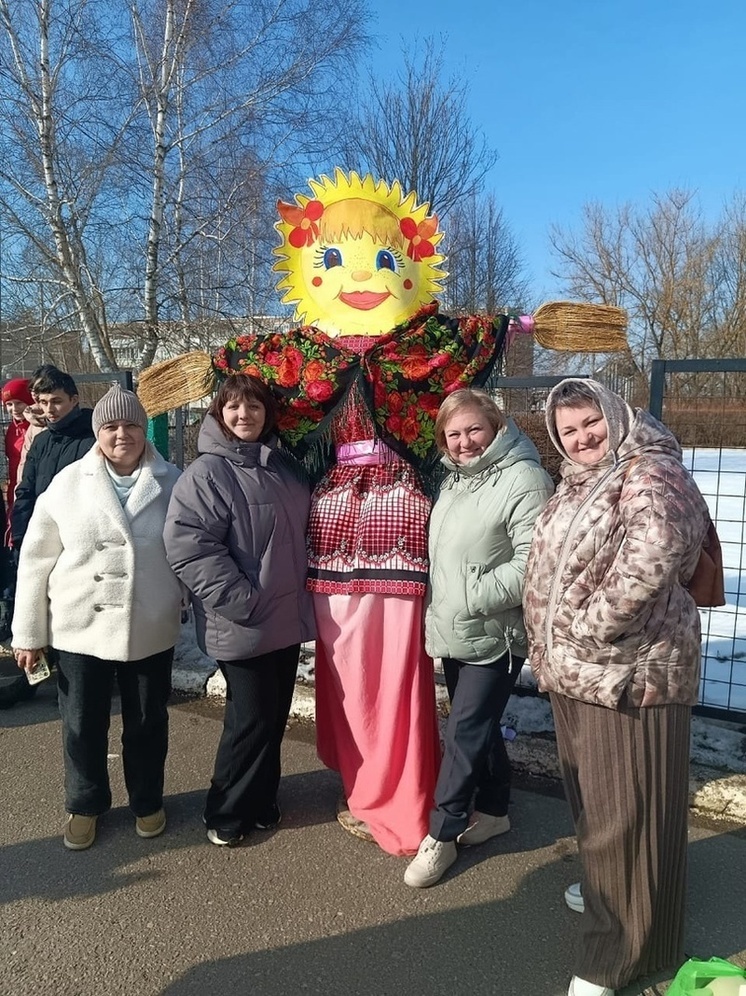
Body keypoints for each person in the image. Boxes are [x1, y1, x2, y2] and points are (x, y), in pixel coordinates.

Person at [522, 378, 712, 996]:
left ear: (616, 414)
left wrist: (593, 623)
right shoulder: (579, 482)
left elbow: (656, 548)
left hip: (631, 671)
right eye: (569, 431)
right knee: (602, 807)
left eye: (591, 423)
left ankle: (618, 954)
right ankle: (619, 898)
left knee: (625, 812)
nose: (582, 439)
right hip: (581, 671)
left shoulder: (649, 470)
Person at [11, 384, 183, 850]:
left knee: (147, 724)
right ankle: (85, 803)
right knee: (82, 725)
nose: (121, 434)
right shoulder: (67, 484)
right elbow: (36, 560)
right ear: (97, 432)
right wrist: (28, 633)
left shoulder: (174, 482)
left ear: (143, 428)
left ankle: (147, 800)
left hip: (149, 626)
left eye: (130, 424)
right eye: (110, 426)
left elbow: (193, 549)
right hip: (78, 630)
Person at [404, 389, 553, 888]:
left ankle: (441, 835)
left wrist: (474, 594)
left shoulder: (525, 479)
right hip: (454, 628)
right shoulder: (454, 481)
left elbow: (534, 563)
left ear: (495, 426)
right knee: (478, 726)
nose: (464, 441)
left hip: (495, 632)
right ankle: (493, 810)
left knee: (464, 732)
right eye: (453, 434)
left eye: (473, 430)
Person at [164, 375, 315, 847]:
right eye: (232, 407)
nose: (243, 415)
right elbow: (189, 546)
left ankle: (263, 799)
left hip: (286, 620)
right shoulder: (208, 473)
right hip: (244, 621)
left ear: (268, 413)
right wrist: (241, 601)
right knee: (248, 719)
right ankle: (226, 810)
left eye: (253, 405)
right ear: (218, 414)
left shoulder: (284, 467)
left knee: (274, 715)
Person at [12, 366, 95, 551]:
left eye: (56, 401)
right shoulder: (41, 441)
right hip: (40, 535)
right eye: (43, 402)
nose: (49, 409)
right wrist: (20, 537)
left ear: (74, 400)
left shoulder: (94, 439)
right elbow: (26, 490)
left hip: (80, 538)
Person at [2, 376, 34, 543]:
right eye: (9, 404)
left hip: (31, 489)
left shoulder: (36, 427)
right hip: (14, 491)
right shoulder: (11, 430)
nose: (14, 408)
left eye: (19, 402)